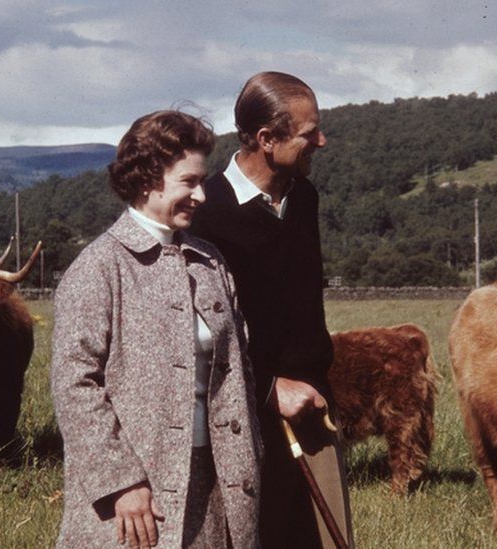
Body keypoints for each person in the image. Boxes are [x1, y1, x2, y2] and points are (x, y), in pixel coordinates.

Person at [50, 110, 262, 549]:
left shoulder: (211, 263)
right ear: (148, 177)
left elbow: (240, 370)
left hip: (218, 486)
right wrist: (121, 482)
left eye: (201, 181)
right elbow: (74, 386)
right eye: (189, 182)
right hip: (134, 499)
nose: (201, 195)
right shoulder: (98, 269)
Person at [191, 72, 354, 548]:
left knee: (323, 539)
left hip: (313, 407)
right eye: (309, 133)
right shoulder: (206, 214)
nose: (321, 141)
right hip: (243, 414)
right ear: (266, 139)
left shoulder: (304, 197)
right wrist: (267, 388)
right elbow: (200, 333)